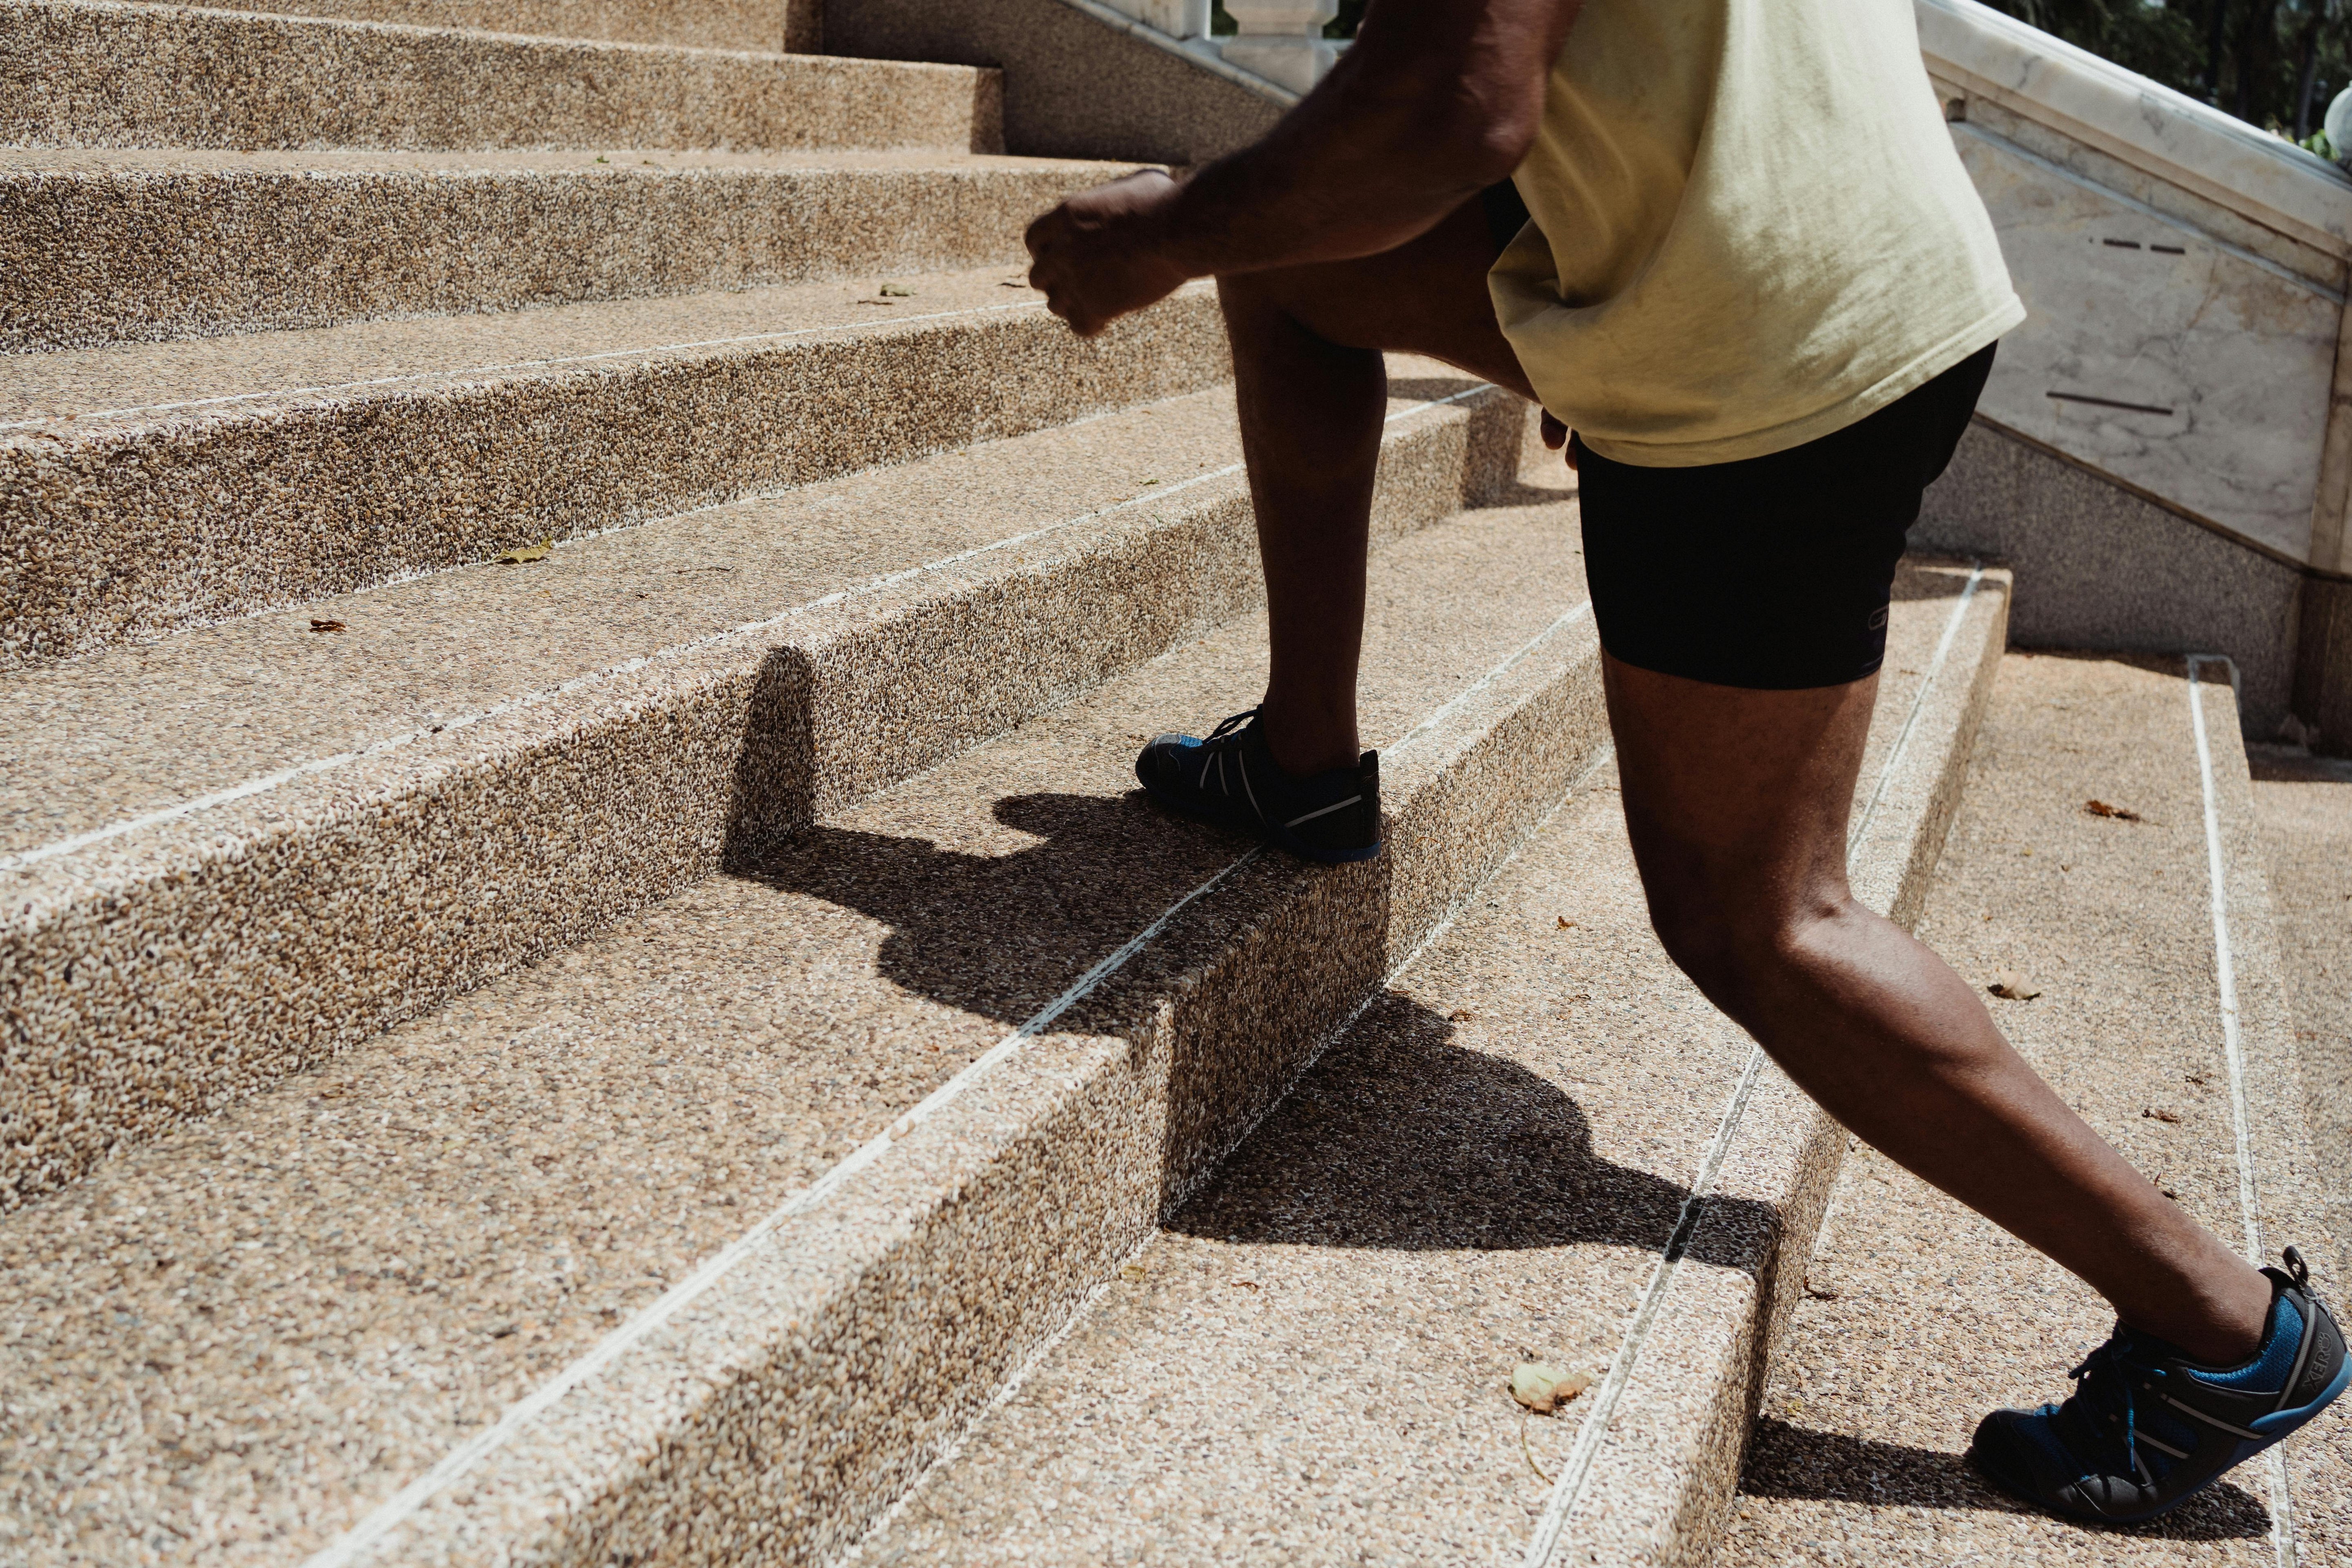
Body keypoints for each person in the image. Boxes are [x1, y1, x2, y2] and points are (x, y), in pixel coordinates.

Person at [1020, 0, 2348, 1524]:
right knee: (1295, 271)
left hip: (1759, 345)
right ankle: (1301, 759)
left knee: (1761, 917)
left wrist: (1167, 226)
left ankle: (2228, 1332)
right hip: (1821, 257)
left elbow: (1457, 103)